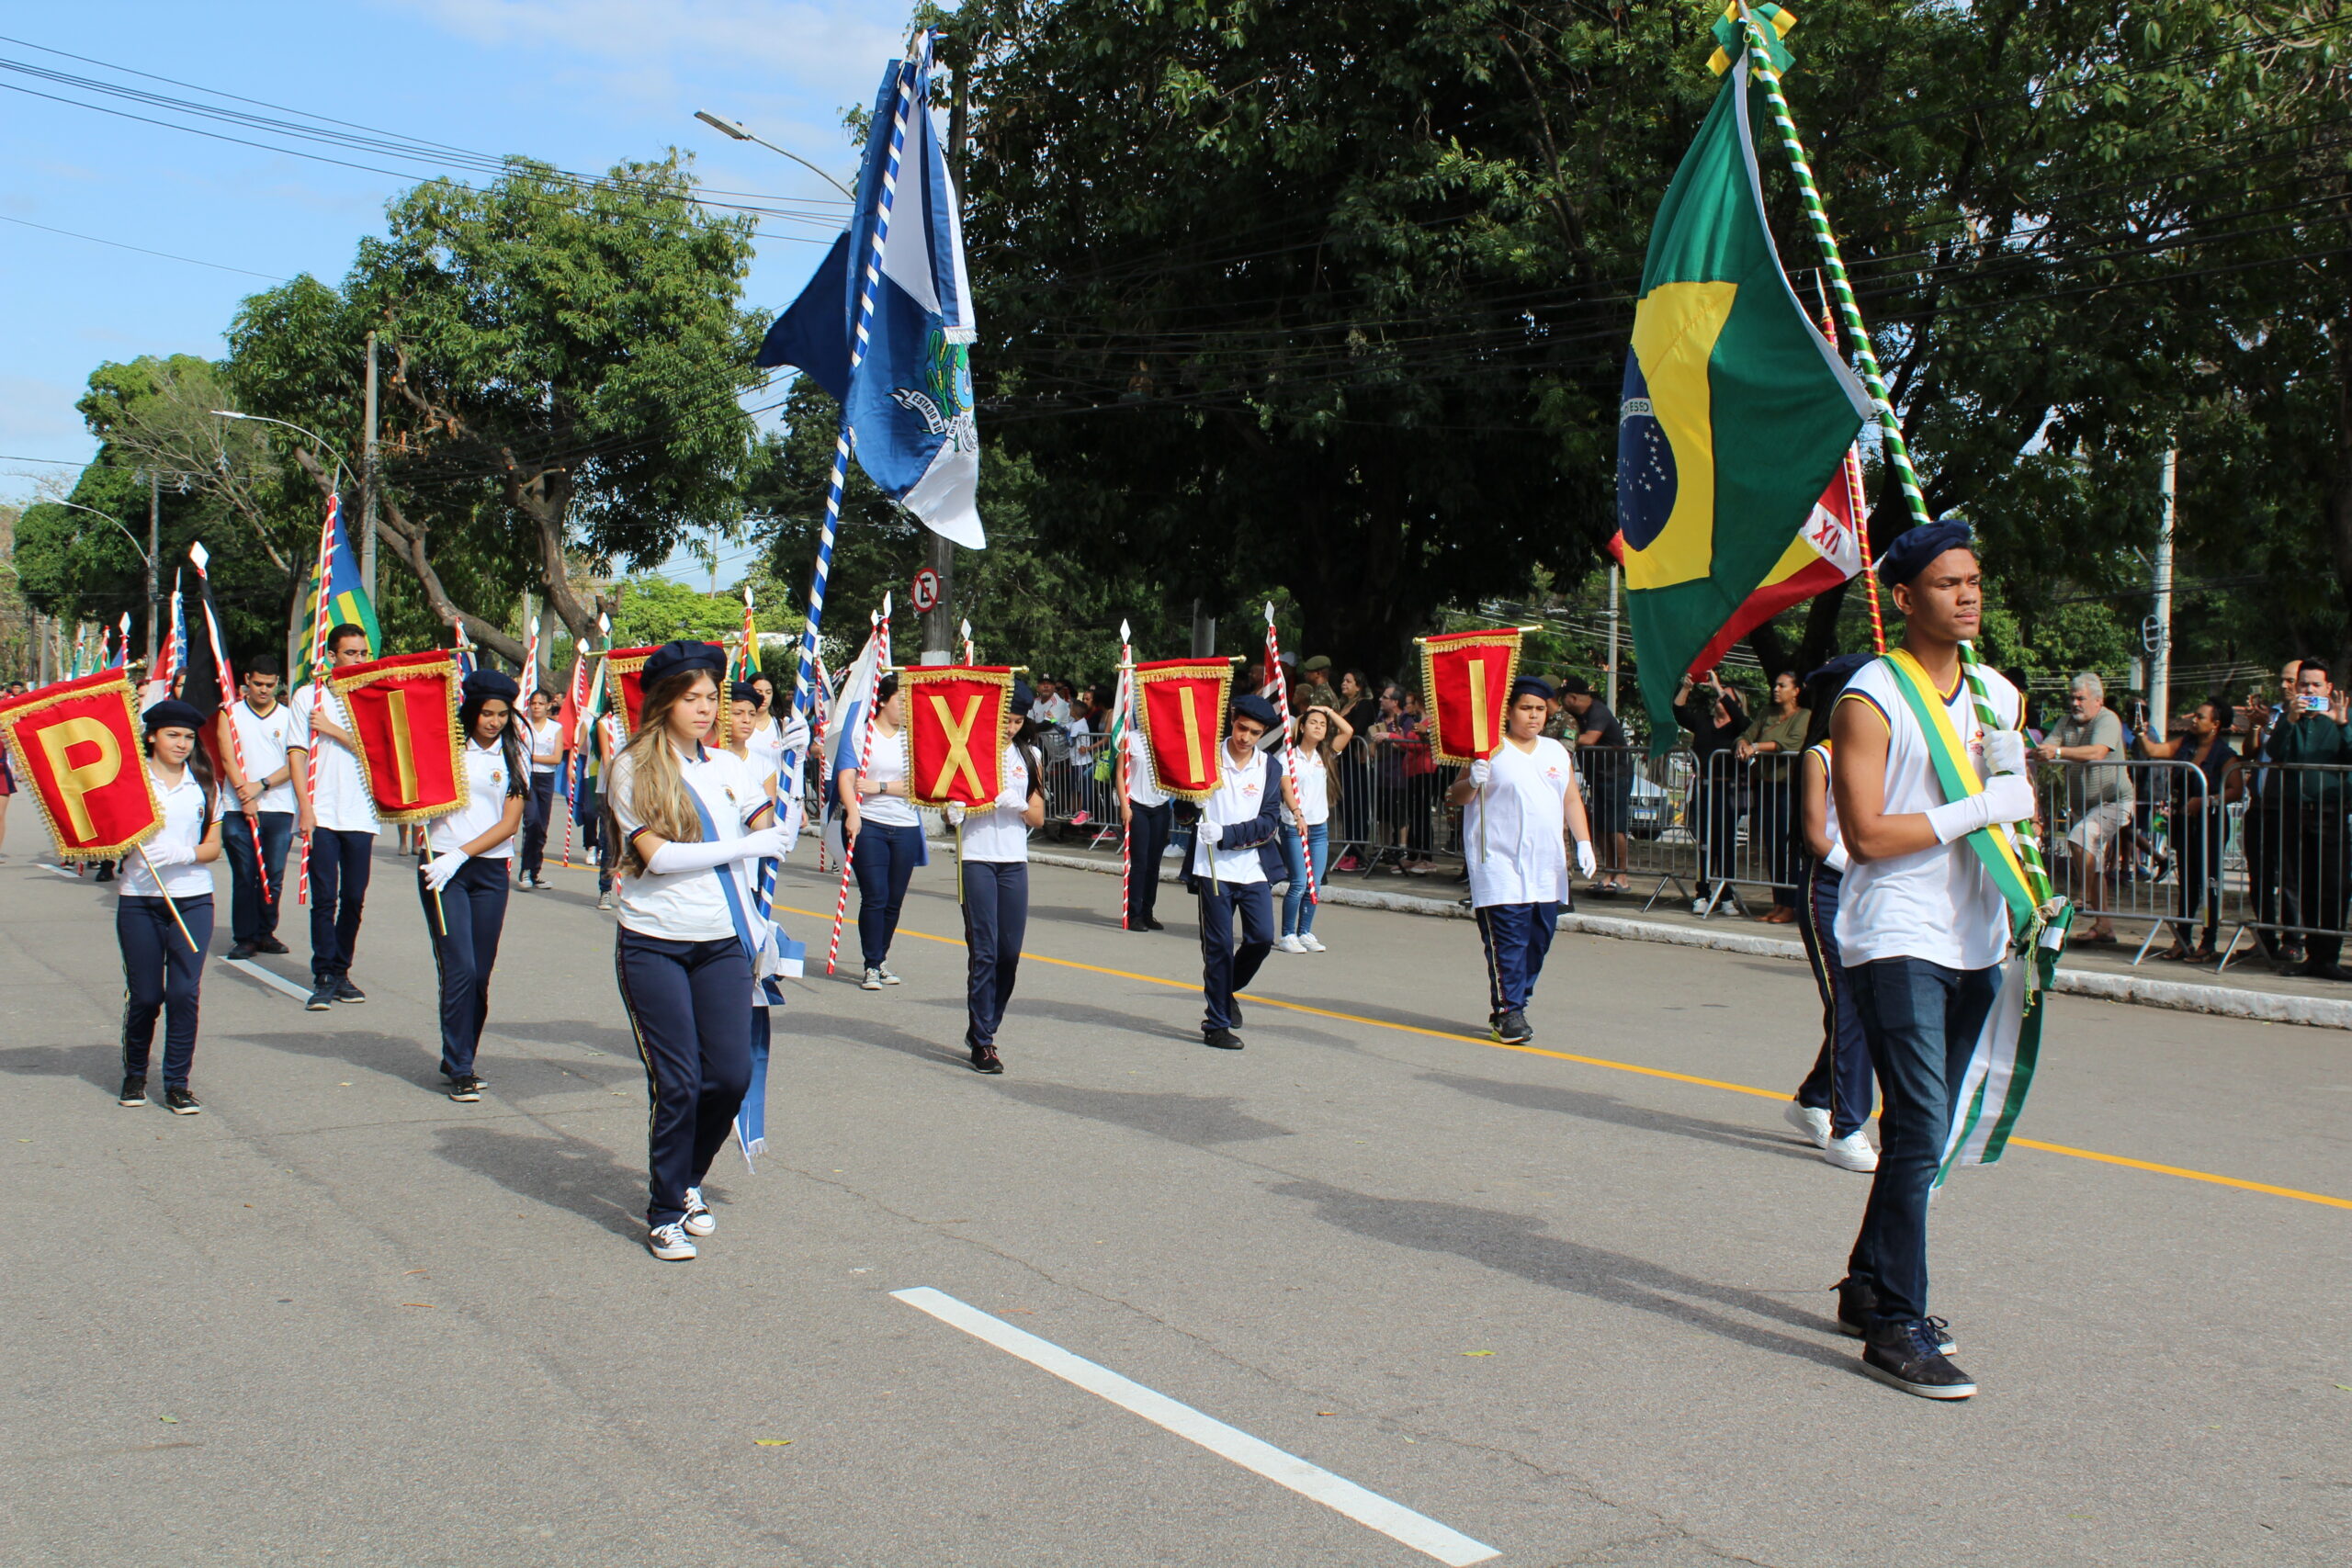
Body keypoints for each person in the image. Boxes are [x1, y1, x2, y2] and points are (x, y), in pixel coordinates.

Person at [1828, 520, 2036, 1400]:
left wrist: (2032, 884)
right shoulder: (1869, 698)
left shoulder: (1999, 696)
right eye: (1948, 583)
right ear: (1904, 598)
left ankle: (1870, 1282)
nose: (1968, 595)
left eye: (1976, 580)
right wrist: (1978, 808)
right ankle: (1899, 1326)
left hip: (1977, 935)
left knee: (1936, 1125)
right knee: (1916, 1126)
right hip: (1898, 935)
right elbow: (1868, 835)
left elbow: (2012, 812)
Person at [606, 640, 793, 1261]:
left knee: (731, 1075)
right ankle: (663, 1211)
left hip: (720, 942)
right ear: (664, 701)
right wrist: (743, 847)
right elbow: (659, 858)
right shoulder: (633, 767)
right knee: (680, 1080)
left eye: (713, 695)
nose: (707, 707)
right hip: (653, 944)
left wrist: (775, 827)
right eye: (693, 697)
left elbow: (767, 828)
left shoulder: (730, 767)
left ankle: (687, 1177)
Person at [1447, 677, 1597, 1044]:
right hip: (1498, 863)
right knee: (1507, 941)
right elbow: (1456, 796)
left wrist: (1584, 842)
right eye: (1525, 708)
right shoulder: (1488, 750)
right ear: (1508, 711)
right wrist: (1474, 779)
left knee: (1538, 940)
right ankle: (1507, 1011)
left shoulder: (1555, 752)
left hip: (1546, 865)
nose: (1534, 716)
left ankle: (1517, 1001)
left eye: (1540, 709)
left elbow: (1571, 799)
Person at [416, 671, 528, 1100]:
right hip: (440, 868)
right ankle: (461, 1065)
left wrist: (462, 853)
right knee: (459, 967)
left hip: (486, 871)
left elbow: (509, 822)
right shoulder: (446, 747)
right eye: (487, 713)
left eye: (502, 714)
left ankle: (460, 1052)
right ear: (471, 711)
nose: (495, 721)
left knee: (480, 974)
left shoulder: (514, 752)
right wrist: (443, 854)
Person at [1786, 654, 1878, 1173]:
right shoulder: (1820, 755)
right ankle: (1848, 1128)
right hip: (1832, 890)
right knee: (1852, 1006)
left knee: (1864, 1007)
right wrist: (1859, 864)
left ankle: (1811, 1100)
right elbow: (1818, 836)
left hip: (1881, 892)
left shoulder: (1888, 751)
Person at [116, 699, 226, 1114]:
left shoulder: (205, 784)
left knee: (183, 993)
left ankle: (177, 1083)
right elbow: (110, 838)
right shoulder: (131, 784)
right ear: (151, 737)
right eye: (172, 735)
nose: (181, 744)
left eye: (187, 737)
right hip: (139, 900)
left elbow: (213, 848)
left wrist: (180, 854)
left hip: (193, 899)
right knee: (146, 996)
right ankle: (134, 1074)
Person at [950, 682, 1048, 1073]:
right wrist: (953, 811)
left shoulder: (1030, 754)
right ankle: (985, 1041)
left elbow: (1038, 817)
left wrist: (1019, 802)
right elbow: (948, 805)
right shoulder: (966, 751)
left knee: (1009, 954)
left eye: (1017, 721)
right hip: (975, 857)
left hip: (1013, 860)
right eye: (1004, 720)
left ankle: (984, 1026)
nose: (1009, 727)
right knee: (984, 952)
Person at [289, 625, 380, 1011]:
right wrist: (304, 808)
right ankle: (324, 973)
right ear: (331, 656)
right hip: (322, 810)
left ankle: (343, 969)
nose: (359, 660)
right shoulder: (307, 697)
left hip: (361, 812)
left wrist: (334, 730)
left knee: (354, 898)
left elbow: (380, 748)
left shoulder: (373, 697)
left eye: (363, 653)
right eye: (351, 653)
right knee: (324, 898)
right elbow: (296, 753)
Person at [1193, 693, 1285, 1051]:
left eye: (1254, 732)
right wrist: (1189, 807)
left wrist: (1227, 834)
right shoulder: (1206, 758)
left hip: (1252, 866)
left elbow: (1269, 821)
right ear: (1232, 721)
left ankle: (1225, 986)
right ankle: (1215, 1023)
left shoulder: (1269, 767)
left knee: (1261, 938)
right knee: (1216, 946)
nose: (1245, 737)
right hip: (1211, 866)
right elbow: (1182, 813)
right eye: (1241, 728)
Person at [2260, 658, 2352, 980]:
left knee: (2334, 886)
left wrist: (2343, 725)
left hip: (2331, 812)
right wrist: (2290, 719)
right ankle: (2312, 955)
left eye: (2316, 685)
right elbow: (2275, 751)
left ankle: (2329, 956)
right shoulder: (2292, 719)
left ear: (2329, 688)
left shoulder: (2341, 718)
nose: (2309, 690)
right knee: (2304, 885)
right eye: (2304, 685)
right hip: (2295, 812)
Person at [838, 672, 926, 990]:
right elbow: (847, 777)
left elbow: (919, 785)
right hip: (869, 824)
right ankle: (871, 964)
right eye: (901, 700)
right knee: (875, 896)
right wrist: (853, 812)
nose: (906, 707)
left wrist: (881, 786)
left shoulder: (913, 738)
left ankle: (882, 958)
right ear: (884, 700)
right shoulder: (863, 735)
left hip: (904, 826)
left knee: (894, 900)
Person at [2134, 699, 2236, 961]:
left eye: (2200, 717)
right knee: (2188, 883)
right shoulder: (2185, 744)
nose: (2194, 720)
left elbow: (2236, 789)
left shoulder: (2224, 754)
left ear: (2215, 725)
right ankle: (2183, 938)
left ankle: (2209, 941)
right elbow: (2154, 751)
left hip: (2211, 823)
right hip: (2184, 823)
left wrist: (2208, 799)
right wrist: (2141, 733)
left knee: (2209, 882)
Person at [2035, 672, 2133, 944]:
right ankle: (2104, 926)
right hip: (2084, 805)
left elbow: (2097, 752)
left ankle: (2086, 895)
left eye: (2081, 698)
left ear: (2098, 701)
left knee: (2080, 838)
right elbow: (2048, 746)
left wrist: (2056, 753)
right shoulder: (2066, 722)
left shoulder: (2107, 719)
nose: (2075, 703)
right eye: (2071, 697)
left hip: (2113, 802)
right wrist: (2037, 751)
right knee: (2095, 862)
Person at [218, 657, 301, 961]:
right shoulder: (230, 714)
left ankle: (266, 931)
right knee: (245, 873)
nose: (264, 690)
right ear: (247, 681)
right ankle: (245, 936)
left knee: (273, 874)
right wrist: (244, 794)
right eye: (258, 684)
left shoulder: (289, 717)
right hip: (237, 808)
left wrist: (261, 785)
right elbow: (228, 758)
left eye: (270, 685)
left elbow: (295, 763)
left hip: (278, 807)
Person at [1276, 703, 1352, 953]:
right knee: (1298, 882)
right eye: (1313, 722)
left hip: (1319, 827)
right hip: (1294, 826)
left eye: (1322, 724)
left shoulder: (1325, 754)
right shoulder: (1287, 756)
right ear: (1302, 727)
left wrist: (1326, 711)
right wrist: (1297, 814)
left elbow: (1348, 731)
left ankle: (1305, 931)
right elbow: (1287, 788)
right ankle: (1288, 934)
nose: (1319, 727)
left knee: (1315, 884)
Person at [1738, 670, 1810, 923]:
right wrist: (1744, 743)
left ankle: (1791, 903)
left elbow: (1792, 744)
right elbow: (1748, 733)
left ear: (1796, 690)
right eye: (1775, 685)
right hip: (1765, 786)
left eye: (1782, 685)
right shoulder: (1767, 714)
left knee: (1787, 847)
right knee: (1771, 847)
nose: (1776, 689)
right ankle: (1778, 902)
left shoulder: (1803, 716)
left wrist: (1757, 746)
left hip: (1787, 789)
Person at [1676, 670, 1749, 913]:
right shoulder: (1704, 723)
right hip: (1704, 789)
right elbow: (1679, 713)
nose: (1718, 700)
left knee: (1726, 844)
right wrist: (1686, 688)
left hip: (1727, 791)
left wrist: (1719, 688)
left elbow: (1743, 721)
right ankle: (1702, 893)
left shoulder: (1737, 729)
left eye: (1725, 698)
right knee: (1704, 843)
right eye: (1718, 696)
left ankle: (1726, 896)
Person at [1557, 676, 1632, 894]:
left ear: (1573, 697)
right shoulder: (1577, 716)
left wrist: (1563, 737)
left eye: (1564, 699)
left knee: (1615, 827)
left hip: (1616, 775)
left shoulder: (1598, 711)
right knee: (1600, 827)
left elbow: (1590, 739)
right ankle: (1609, 872)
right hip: (1597, 776)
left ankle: (1622, 875)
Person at [1120, 699, 1174, 931]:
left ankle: (1148, 911)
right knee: (1140, 863)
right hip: (1137, 806)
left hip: (1160, 806)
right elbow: (1120, 775)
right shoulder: (1130, 738)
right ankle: (1134, 914)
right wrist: (1124, 804)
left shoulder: (1167, 739)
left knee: (1154, 864)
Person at [515, 689, 563, 889]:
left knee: (542, 826)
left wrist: (531, 756)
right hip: (527, 777)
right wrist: (526, 759)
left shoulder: (555, 728)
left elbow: (556, 758)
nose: (536, 707)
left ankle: (535, 871)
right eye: (533, 703)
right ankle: (525, 869)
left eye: (540, 704)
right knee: (531, 821)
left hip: (545, 778)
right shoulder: (522, 726)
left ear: (548, 706)